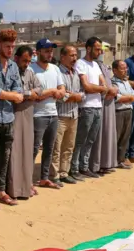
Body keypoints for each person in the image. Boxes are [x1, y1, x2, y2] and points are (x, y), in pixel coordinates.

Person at [0, 29, 23, 207]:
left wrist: (8, 95)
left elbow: (19, 90)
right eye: (7, 46)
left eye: (12, 47)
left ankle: (0, 190)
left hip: (8, 117)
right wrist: (12, 96)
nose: (10, 50)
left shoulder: (14, 66)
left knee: (5, 156)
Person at [7, 45, 41, 198]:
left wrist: (29, 94)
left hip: (27, 114)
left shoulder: (30, 72)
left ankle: (26, 186)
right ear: (16, 58)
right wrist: (29, 94)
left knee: (27, 151)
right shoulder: (11, 71)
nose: (26, 64)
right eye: (24, 60)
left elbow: (39, 89)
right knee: (14, 152)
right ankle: (14, 189)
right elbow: (15, 93)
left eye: (28, 61)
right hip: (14, 113)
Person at [71, 37, 106, 181]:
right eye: (97, 49)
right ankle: (74, 168)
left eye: (100, 49)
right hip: (86, 107)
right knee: (80, 140)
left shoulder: (96, 65)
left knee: (90, 140)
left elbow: (102, 85)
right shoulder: (81, 63)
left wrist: (100, 88)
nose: (99, 52)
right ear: (89, 48)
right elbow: (87, 86)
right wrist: (102, 88)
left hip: (97, 106)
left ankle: (84, 167)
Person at [31, 38, 64, 189]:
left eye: (51, 51)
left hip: (53, 113)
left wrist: (56, 92)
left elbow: (62, 89)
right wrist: (51, 91)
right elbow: (34, 95)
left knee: (49, 148)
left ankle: (44, 178)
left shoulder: (55, 69)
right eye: (46, 51)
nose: (50, 54)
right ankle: (27, 180)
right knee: (34, 148)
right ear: (38, 52)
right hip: (37, 115)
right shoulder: (31, 69)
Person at [51, 45, 83, 185]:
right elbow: (60, 96)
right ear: (62, 57)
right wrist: (73, 96)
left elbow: (82, 93)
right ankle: (54, 174)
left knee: (69, 147)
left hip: (74, 115)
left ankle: (64, 172)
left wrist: (74, 96)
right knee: (56, 148)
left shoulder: (75, 72)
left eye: (75, 55)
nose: (74, 58)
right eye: (71, 55)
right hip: (60, 115)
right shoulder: (57, 72)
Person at [91, 46, 119, 175]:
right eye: (99, 50)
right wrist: (108, 90)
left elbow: (110, 81)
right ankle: (97, 164)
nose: (102, 52)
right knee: (100, 134)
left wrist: (113, 88)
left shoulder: (104, 66)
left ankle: (106, 162)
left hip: (109, 102)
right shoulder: (92, 66)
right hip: (100, 102)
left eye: (103, 50)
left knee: (108, 133)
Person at [112, 60, 134, 168]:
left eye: (126, 68)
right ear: (114, 70)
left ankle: (120, 160)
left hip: (128, 110)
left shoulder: (126, 81)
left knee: (125, 137)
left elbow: (133, 95)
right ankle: (111, 161)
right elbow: (116, 97)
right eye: (122, 68)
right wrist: (128, 98)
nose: (125, 70)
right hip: (118, 112)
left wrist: (127, 98)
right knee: (116, 137)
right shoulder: (113, 82)